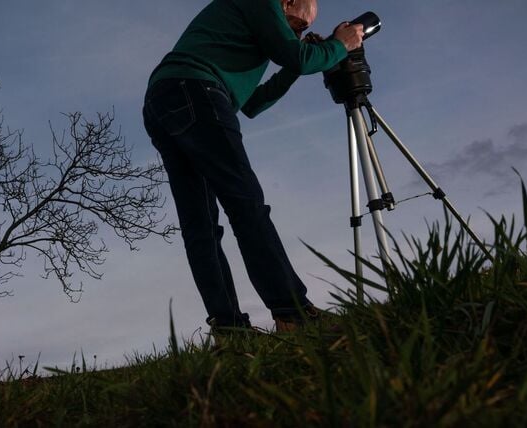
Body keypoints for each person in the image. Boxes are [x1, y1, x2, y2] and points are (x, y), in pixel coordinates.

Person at [143, 0, 365, 334]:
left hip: (165, 99)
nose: (297, 33)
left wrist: (296, 64)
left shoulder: (246, 34)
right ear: (287, 2)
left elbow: (254, 103)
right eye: (298, 24)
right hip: (196, 89)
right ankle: (292, 313)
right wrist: (340, 45)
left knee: (200, 224)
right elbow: (299, 58)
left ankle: (229, 331)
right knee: (246, 204)